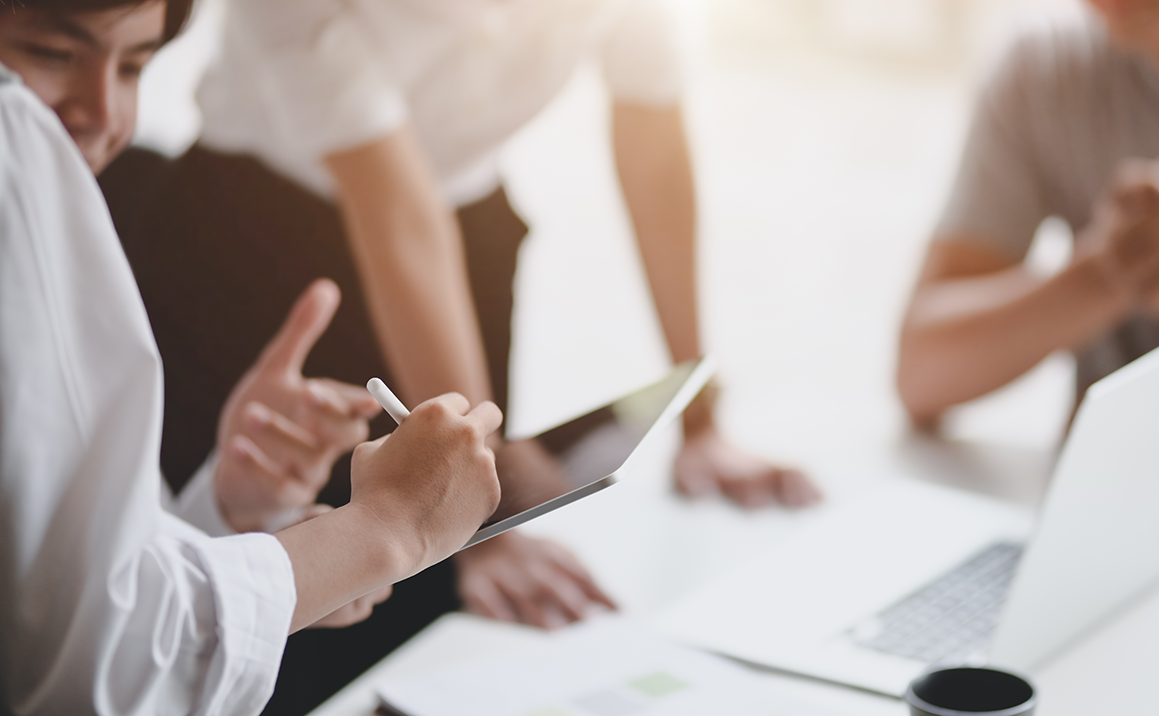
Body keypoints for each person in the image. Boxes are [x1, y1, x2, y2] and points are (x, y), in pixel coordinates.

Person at [99, 1, 822, 712]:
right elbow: (396, 213)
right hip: (248, 251)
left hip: (466, 232)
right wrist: (484, 507)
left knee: (449, 607)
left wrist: (703, 424)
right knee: (288, 601)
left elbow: (654, 146)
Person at [0, 0, 505, 712]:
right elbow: (98, 668)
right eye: (53, 55)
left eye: (136, 67)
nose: (104, 113)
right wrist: (380, 530)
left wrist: (219, 515)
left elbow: (55, 586)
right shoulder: (13, 143)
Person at [897, 0, 1159, 482]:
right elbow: (922, 375)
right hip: (1112, 509)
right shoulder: (1049, 70)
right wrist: (1100, 277)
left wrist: (1144, 436)